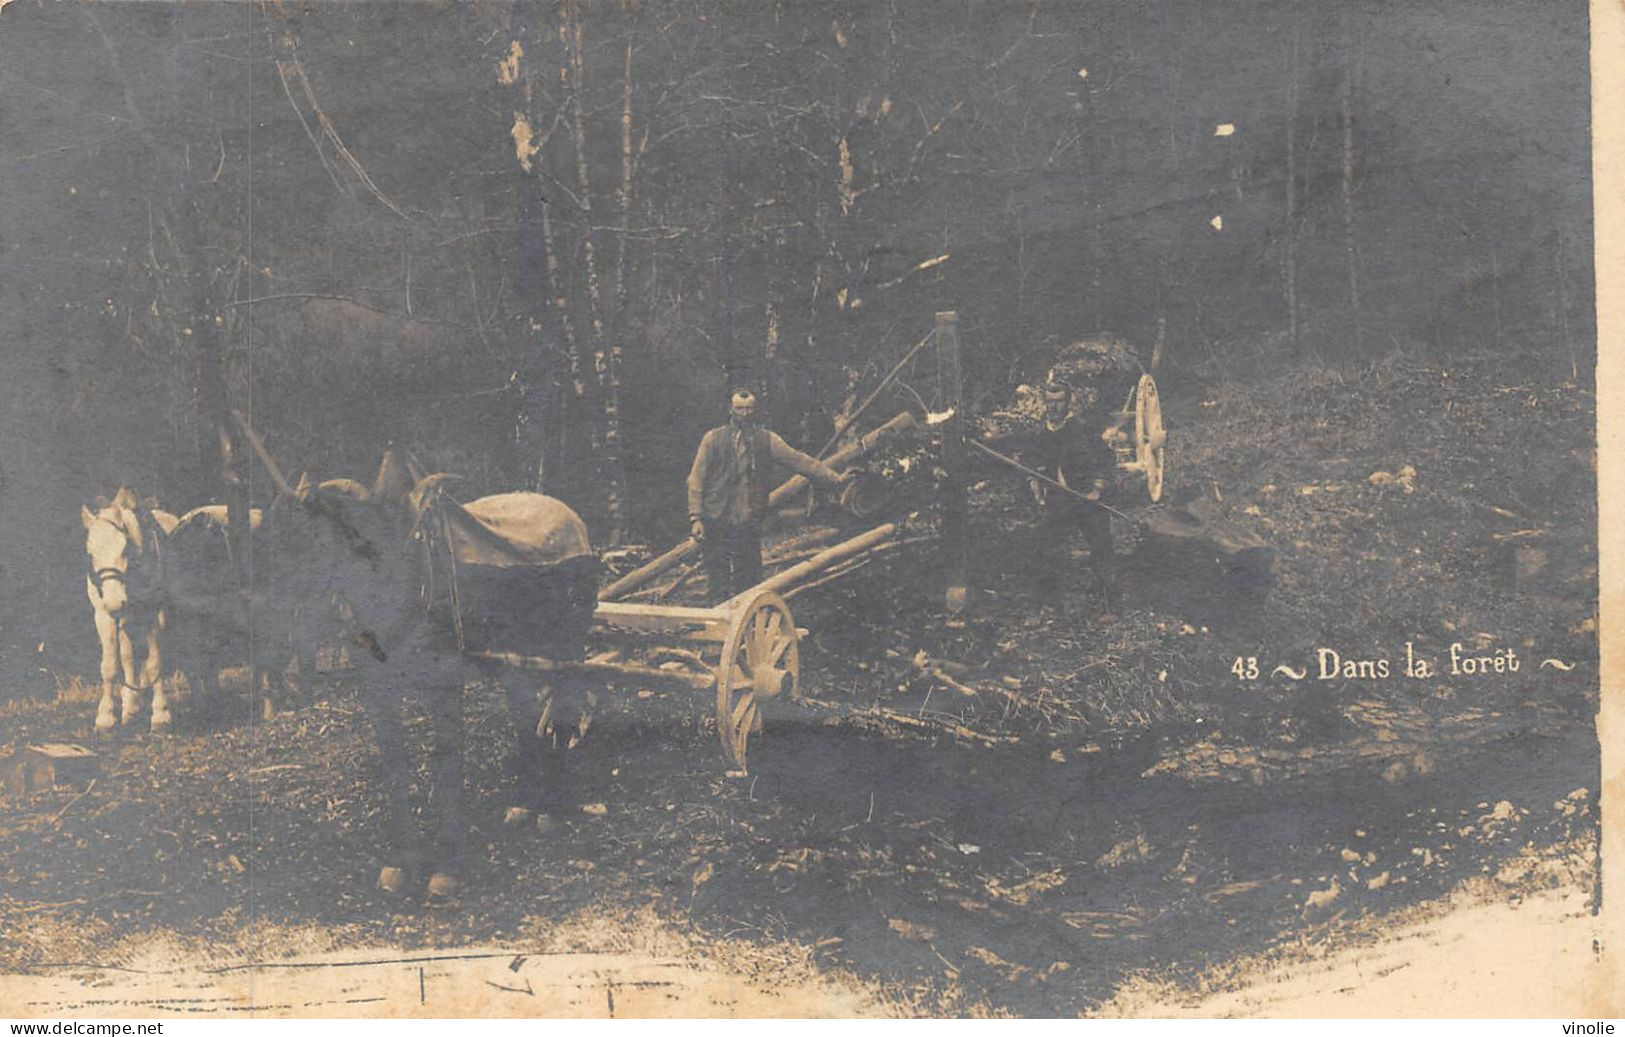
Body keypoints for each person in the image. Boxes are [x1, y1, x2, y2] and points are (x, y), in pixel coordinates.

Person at [687, 387, 846, 601]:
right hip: (717, 518)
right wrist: (696, 517)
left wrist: (834, 478)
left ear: (755, 411)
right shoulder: (713, 439)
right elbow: (695, 480)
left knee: (750, 579)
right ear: (730, 410)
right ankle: (719, 623)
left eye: (749, 409)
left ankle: (748, 625)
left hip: (748, 519)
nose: (744, 414)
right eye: (739, 409)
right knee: (718, 579)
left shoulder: (767, 440)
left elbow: (799, 460)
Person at [989, 376, 1124, 613]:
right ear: (1044, 403)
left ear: (1068, 404)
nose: (1054, 406)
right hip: (1059, 501)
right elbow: (1029, 462)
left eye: (1059, 401)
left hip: (1087, 500)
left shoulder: (1082, 431)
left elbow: (1106, 459)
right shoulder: (1039, 435)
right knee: (1046, 547)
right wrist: (1033, 483)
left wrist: (1097, 488)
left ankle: (1110, 604)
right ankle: (1049, 604)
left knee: (1101, 546)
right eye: (1050, 401)